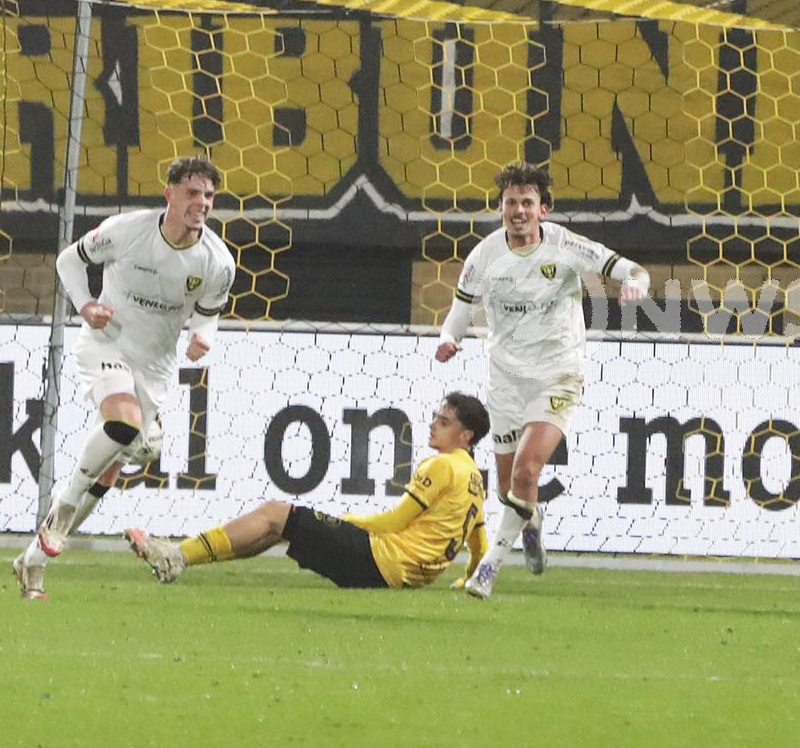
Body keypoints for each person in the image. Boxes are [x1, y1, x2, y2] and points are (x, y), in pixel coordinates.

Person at [11, 156, 236, 600]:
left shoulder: (217, 262)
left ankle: (32, 561)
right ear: (169, 194)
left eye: (209, 195)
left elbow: (209, 313)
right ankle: (63, 509)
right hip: (107, 345)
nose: (203, 203)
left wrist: (202, 336)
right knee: (124, 423)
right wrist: (85, 305)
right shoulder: (128, 231)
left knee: (111, 465)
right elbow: (68, 261)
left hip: (155, 367)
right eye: (193, 192)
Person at [436, 163, 649, 599]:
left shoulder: (565, 246)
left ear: (543, 210)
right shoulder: (483, 257)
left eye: (527, 203)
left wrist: (635, 285)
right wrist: (447, 340)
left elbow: (634, 271)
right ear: (501, 208)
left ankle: (489, 569)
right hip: (506, 382)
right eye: (511, 202)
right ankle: (530, 521)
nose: (519, 211)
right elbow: (458, 314)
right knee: (508, 488)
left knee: (527, 469)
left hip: (557, 374)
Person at [127, 393, 490, 590]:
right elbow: (479, 541)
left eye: (444, 422)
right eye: (436, 416)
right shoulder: (473, 477)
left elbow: (395, 521)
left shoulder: (442, 465)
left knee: (274, 512)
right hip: (410, 576)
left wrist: (345, 522)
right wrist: (470, 578)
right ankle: (181, 560)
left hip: (382, 561)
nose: (433, 425)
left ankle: (176, 556)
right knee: (279, 528)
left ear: (466, 436)